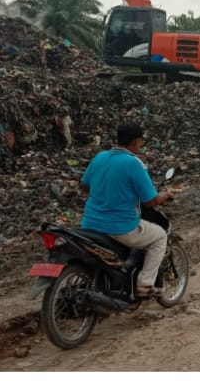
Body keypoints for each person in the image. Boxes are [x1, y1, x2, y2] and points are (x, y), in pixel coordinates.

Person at [81, 122, 177, 299]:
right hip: (120, 227)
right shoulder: (133, 163)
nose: (140, 145)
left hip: (90, 224)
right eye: (140, 142)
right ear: (135, 142)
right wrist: (166, 194)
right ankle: (144, 286)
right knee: (159, 237)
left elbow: (85, 186)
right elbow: (150, 201)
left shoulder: (100, 157)